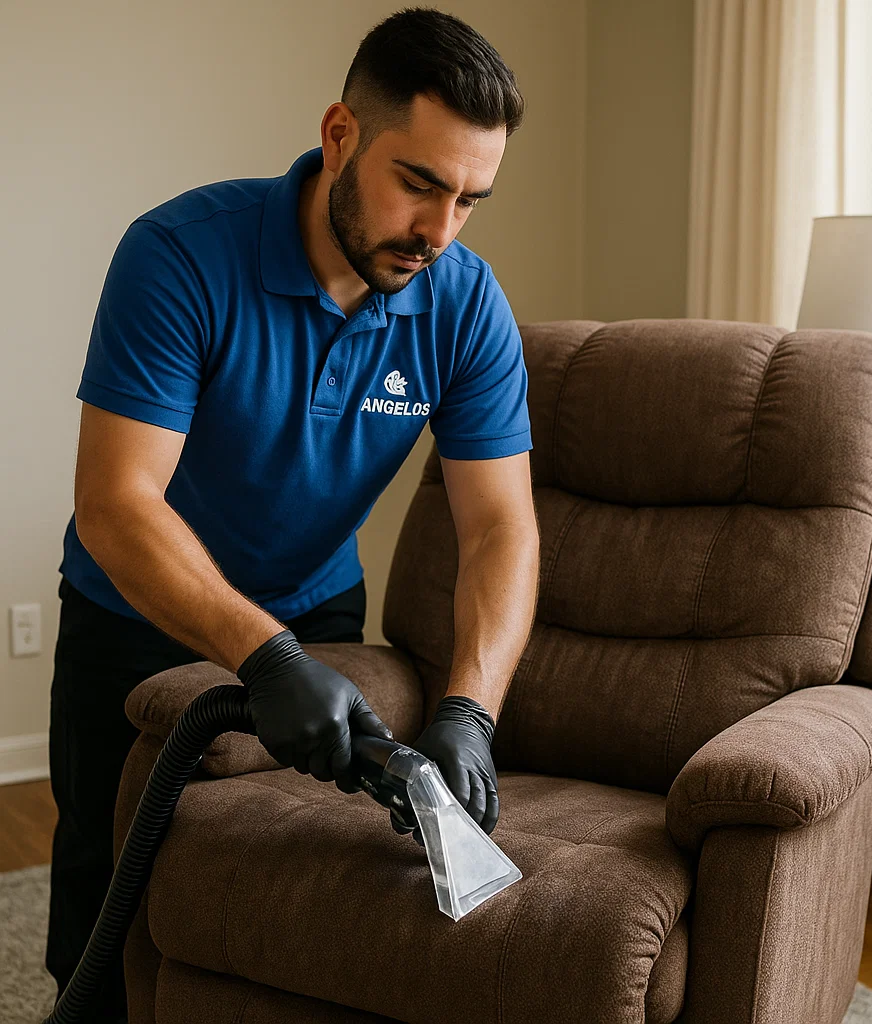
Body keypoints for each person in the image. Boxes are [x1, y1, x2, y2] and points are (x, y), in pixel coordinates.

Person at [46, 7, 541, 1019]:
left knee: (291, 885)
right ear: (340, 136)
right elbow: (116, 502)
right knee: (104, 909)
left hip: (321, 614)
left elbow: (500, 528)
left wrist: (467, 709)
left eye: (469, 200)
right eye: (419, 183)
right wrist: (262, 656)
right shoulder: (180, 256)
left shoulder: (462, 300)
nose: (439, 233)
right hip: (134, 622)